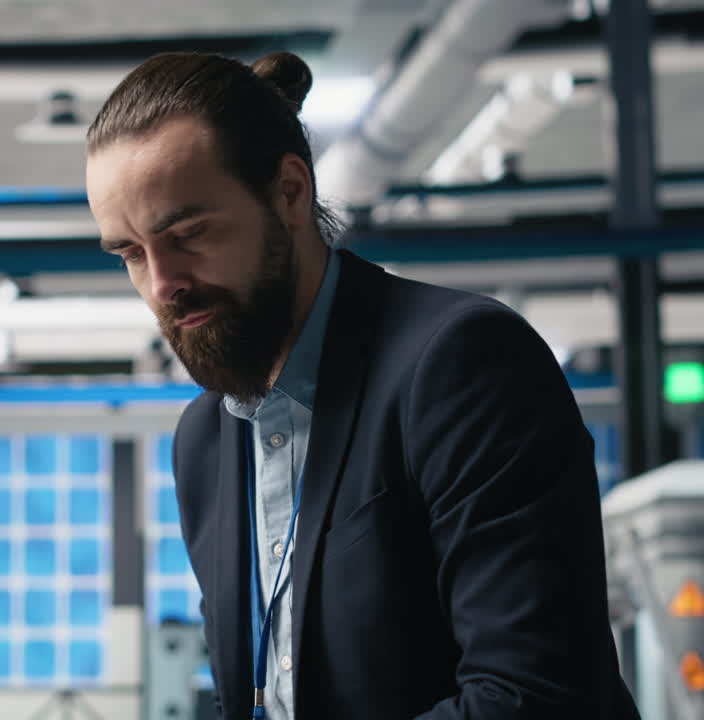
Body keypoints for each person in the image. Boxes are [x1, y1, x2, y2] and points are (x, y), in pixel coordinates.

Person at [84, 51, 640, 719]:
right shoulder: (204, 440)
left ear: (290, 193)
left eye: (189, 234)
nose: (161, 281)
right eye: (130, 253)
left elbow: (535, 699)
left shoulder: (461, 365)